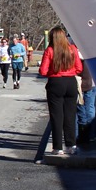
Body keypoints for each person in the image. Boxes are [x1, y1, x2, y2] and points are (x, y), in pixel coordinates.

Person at [39, 26, 82, 156]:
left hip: (56, 82)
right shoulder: (72, 49)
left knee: (56, 116)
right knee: (70, 115)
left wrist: (53, 72)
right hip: (70, 82)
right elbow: (79, 68)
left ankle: (58, 147)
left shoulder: (50, 50)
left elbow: (43, 71)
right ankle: (71, 144)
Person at [75, 54, 96, 146]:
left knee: (81, 109)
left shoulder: (79, 56)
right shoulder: (91, 53)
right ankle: (91, 134)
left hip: (83, 84)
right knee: (90, 108)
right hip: (93, 83)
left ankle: (83, 133)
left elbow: (78, 70)